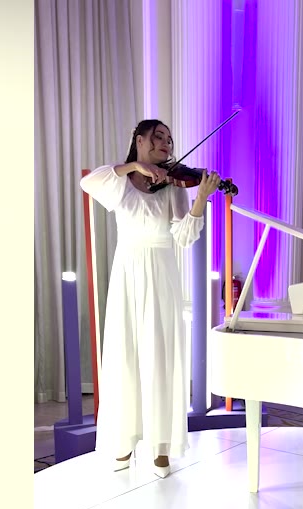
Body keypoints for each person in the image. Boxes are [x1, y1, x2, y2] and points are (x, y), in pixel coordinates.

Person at [80, 120, 222, 478]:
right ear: (139, 140)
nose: (166, 143)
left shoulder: (173, 186)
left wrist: (200, 199)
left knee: (160, 356)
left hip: (161, 272)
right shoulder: (119, 181)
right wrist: (134, 166)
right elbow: (88, 182)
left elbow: (184, 237)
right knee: (124, 355)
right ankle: (123, 442)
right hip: (127, 272)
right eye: (159, 137)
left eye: (169, 139)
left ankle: (161, 447)